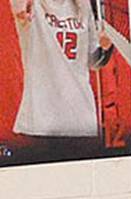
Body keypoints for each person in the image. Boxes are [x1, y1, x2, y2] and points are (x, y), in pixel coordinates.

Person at [7, 0, 110, 160]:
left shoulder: (83, 6)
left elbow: (93, 61)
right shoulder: (34, 5)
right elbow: (19, 8)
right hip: (41, 125)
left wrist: (106, 46)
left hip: (82, 123)